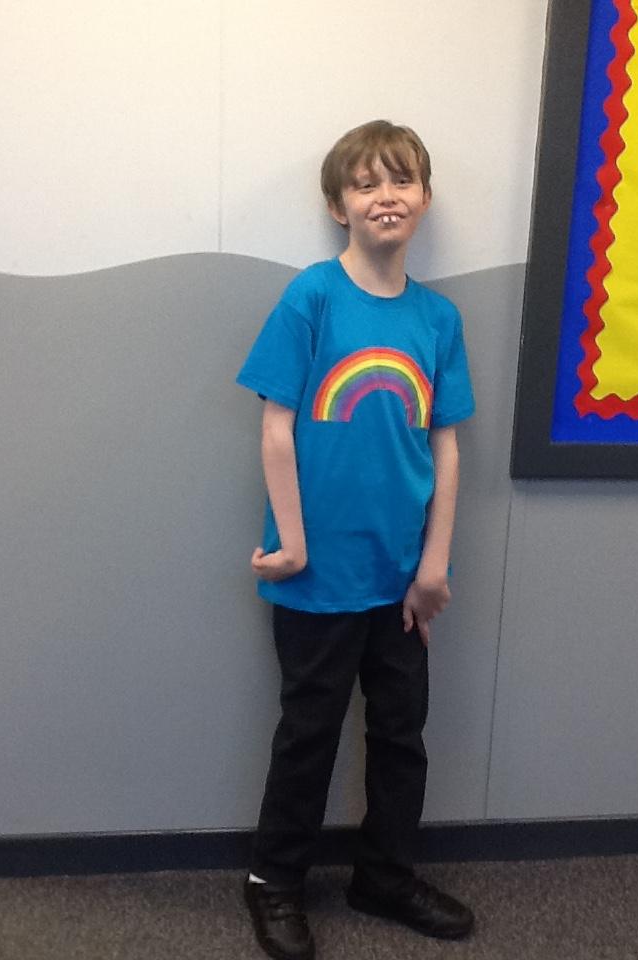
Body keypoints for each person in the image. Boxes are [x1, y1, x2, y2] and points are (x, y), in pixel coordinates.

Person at [236, 119, 476, 960]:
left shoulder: (437, 319)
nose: (386, 196)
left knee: (401, 735)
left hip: (401, 577)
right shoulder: (312, 297)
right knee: (309, 734)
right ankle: (274, 882)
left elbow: (446, 445)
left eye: (401, 180)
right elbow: (276, 427)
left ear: (424, 198)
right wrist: (293, 544)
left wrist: (434, 565)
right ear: (339, 205)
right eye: (367, 184)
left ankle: (384, 875)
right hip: (314, 576)